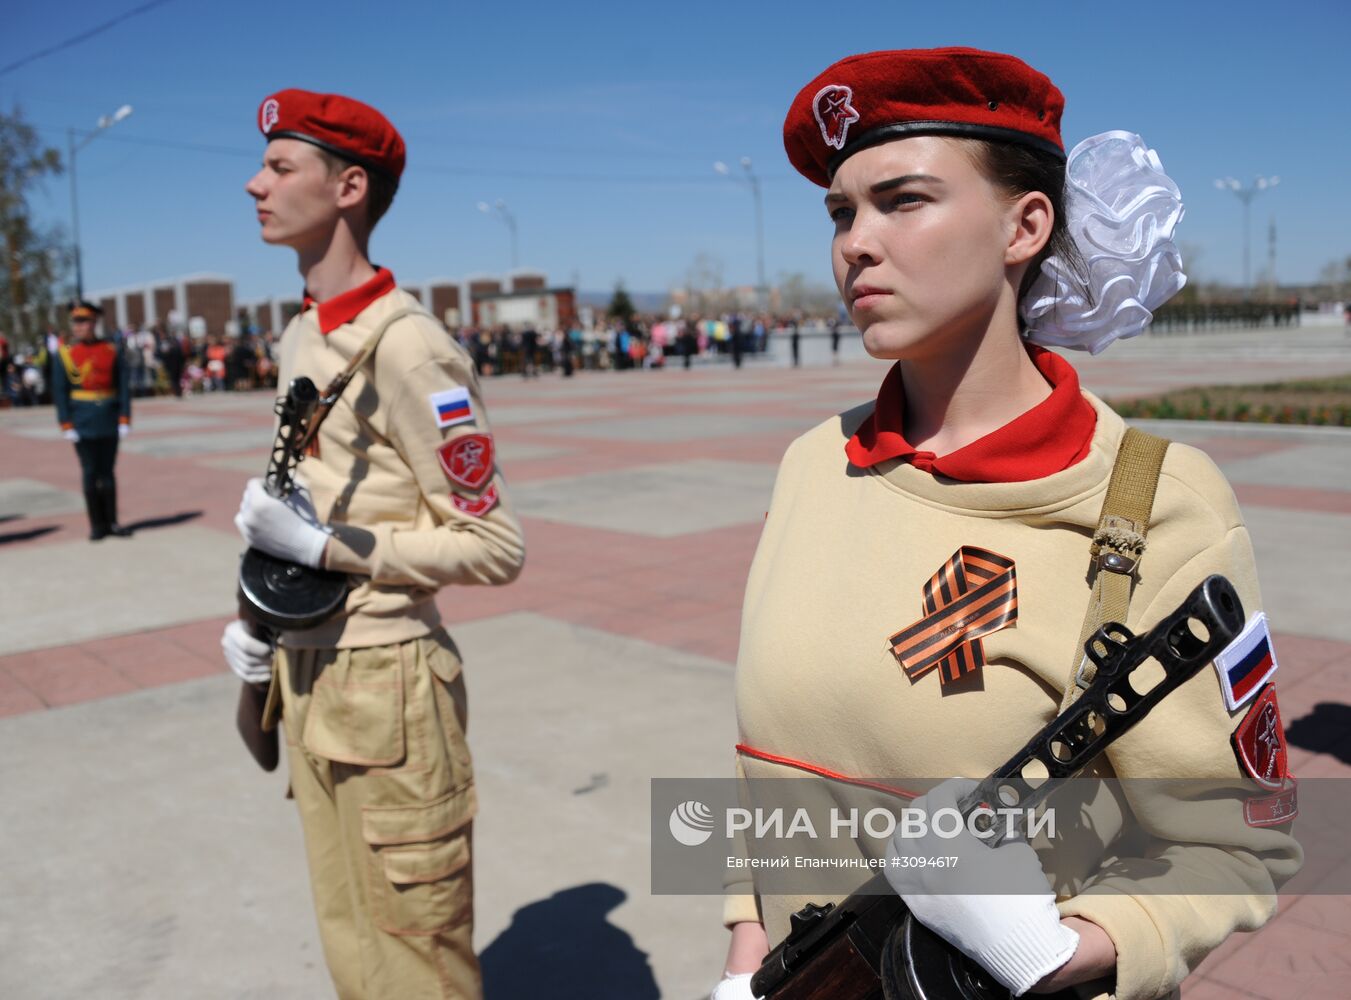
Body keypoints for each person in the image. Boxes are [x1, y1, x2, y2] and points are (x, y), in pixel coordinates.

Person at [714, 48, 1299, 1000]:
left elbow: (1236, 841)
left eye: (901, 200)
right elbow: (771, 780)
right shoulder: (813, 463)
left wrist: (1058, 953)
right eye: (840, 211)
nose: (855, 243)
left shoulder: (1153, 504)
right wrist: (748, 955)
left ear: (1024, 225)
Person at [221, 88, 525, 1000]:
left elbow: (491, 544)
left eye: (280, 167)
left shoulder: (409, 349)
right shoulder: (303, 331)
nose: (254, 185)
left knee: (416, 959)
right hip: (311, 671)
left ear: (349, 186)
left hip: (388, 684)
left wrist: (328, 551)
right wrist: (261, 631)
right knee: (354, 948)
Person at [51, 300, 132, 540]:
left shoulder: (111, 350)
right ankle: (96, 524)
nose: (79, 326)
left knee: (108, 473)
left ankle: (112, 522)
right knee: (90, 472)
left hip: (108, 417)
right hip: (82, 420)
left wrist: (125, 417)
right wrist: (66, 422)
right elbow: (59, 390)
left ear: (94, 323)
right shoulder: (65, 354)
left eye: (83, 321)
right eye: (76, 322)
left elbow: (123, 387)